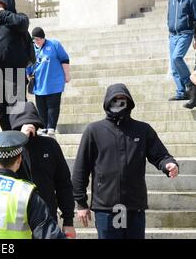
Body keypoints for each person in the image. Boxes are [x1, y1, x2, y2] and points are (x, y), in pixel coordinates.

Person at [72, 83, 180, 239]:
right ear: (107, 102)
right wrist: (81, 203)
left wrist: (169, 164)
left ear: (129, 102)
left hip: (134, 206)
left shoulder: (143, 129)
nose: (118, 103)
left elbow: (161, 156)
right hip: (106, 208)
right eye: (115, 99)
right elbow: (81, 168)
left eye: (122, 99)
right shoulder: (93, 131)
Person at [9, 101, 76, 238]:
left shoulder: (50, 145)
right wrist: (19, 140)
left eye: (30, 123)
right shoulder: (7, 147)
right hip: (15, 220)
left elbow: (64, 184)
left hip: (46, 220)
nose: (28, 127)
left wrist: (68, 221)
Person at [0, 0, 30, 131]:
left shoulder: (18, 19)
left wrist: (3, 13)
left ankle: (20, 143)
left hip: (14, 73)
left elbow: (22, 23)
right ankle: (8, 137)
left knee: (16, 110)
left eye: (1, 4)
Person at [26, 27, 70, 138]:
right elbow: (28, 66)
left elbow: (64, 59)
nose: (37, 42)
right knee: (41, 107)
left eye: (39, 39)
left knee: (53, 106)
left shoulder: (54, 45)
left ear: (44, 38)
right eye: (35, 40)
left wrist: (67, 74)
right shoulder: (31, 49)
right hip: (39, 83)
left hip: (55, 82)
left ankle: (51, 128)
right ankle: (44, 127)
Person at [167, 0, 196, 101]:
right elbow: (169, 17)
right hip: (173, 35)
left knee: (177, 57)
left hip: (186, 33)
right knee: (173, 66)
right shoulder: (170, 1)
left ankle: (189, 83)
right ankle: (181, 92)